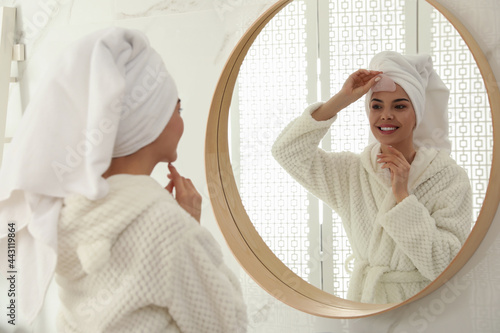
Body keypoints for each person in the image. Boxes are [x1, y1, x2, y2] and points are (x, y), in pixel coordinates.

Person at [0, 28, 247, 332]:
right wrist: (188, 225)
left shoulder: (62, 215)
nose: (182, 120)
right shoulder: (164, 226)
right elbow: (227, 325)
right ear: (149, 119)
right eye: (177, 108)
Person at [271, 51, 472, 304]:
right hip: (368, 305)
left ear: (416, 115)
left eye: (399, 106)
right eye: (376, 106)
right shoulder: (351, 172)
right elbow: (287, 151)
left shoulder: (448, 178)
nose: (386, 115)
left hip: (426, 307)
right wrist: (341, 100)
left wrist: (403, 197)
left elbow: (446, 264)